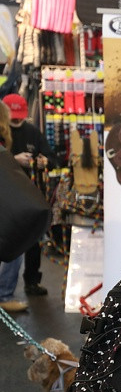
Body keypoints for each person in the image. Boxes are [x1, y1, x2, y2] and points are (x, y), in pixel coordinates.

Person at [0, 93, 52, 310]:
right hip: (11, 199)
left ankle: (15, 288)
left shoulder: (31, 132)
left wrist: (43, 160)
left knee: (22, 240)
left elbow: (49, 154)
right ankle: (4, 294)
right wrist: (13, 160)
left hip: (13, 197)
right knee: (17, 237)